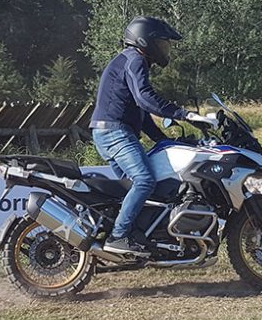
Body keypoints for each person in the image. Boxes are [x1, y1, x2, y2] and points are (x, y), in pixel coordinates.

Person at [90, 16, 218, 256]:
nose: (165, 49)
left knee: (133, 189)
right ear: (145, 41)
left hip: (109, 131)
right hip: (115, 132)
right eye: (162, 43)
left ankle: (136, 237)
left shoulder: (129, 60)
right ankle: (119, 236)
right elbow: (145, 98)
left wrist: (162, 139)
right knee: (145, 181)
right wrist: (184, 114)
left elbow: (141, 112)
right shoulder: (135, 59)